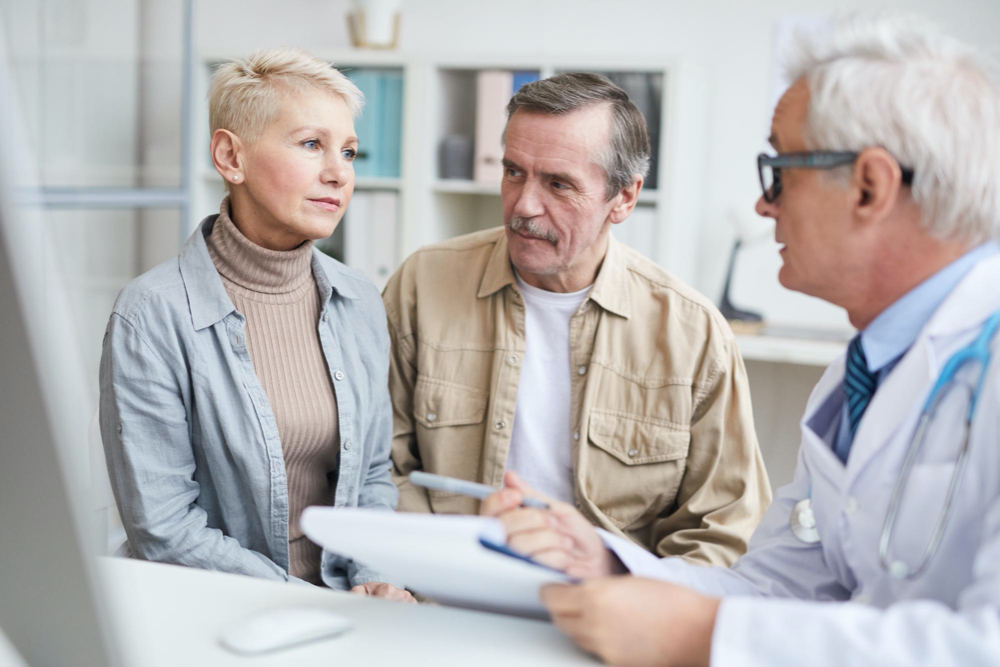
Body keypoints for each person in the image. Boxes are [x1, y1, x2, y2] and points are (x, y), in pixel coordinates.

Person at [482, 14, 1000, 666]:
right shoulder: (860, 373)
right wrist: (609, 562)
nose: (763, 205)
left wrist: (700, 637)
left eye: (779, 170)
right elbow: (784, 586)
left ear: (870, 185)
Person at [384, 73, 771, 564]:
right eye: (513, 172)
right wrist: (449, 558)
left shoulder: (694, 334)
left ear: (624, 198)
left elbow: (724, 531)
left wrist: (615, 585)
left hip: (614, 618)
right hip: (441, 591)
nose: (524, 205)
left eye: (558, 184)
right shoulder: (422, 284)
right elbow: (379, 467)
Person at [99, 47, 411, 600]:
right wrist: (307, 599)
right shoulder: (150, 315)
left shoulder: (359, 299)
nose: (339, 173)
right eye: (311, 144)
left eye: (349, 151)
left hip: (346, 609)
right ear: (230, 157)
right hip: (216, 611)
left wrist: (373, 579)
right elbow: (164, 529)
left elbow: (371, 477)